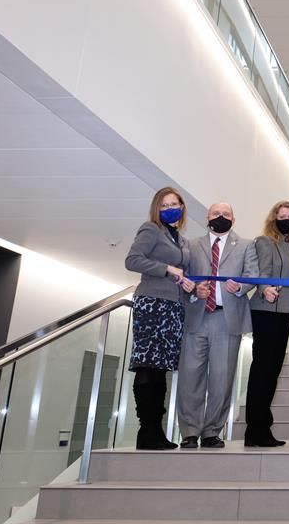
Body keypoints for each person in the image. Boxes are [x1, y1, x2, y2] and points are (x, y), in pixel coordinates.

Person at [178, 202, 257, 448]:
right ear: (206, 217)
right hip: (196, 318)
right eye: (215, 214)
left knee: (222, 380)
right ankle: (189, 431)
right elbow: (182, 279)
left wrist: (241, 287)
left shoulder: (246, 245)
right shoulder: (190, 245)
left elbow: (253, 275)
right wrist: (193, 290)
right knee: (190, 377)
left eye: (226, 214)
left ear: (233, 219)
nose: (220, 217)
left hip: (228, 319)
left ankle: (212, 431)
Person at [124, 186, 195, 450]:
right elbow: (132, 260)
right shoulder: (151, 229)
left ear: (182, 207)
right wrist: (166, 269)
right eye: (164, 205)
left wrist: (185, 282)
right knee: (147, 367)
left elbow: (180, 271)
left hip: (173, 308)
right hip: (152, 304)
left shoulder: (181, 239)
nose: (169, 209)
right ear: (157, 208)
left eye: (174, 204)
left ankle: (157, 431)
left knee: (160, 369)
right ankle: (147, 430)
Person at [244, 201, 289, 447]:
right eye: (282, 215)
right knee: (263, 370)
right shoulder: (264, 241)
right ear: (273, 218)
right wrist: (264, 288)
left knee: (273, 371)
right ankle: (255, 429)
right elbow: (261, 272)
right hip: (266, 310)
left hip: (283, 312)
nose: (286, 219)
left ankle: (261, 428)